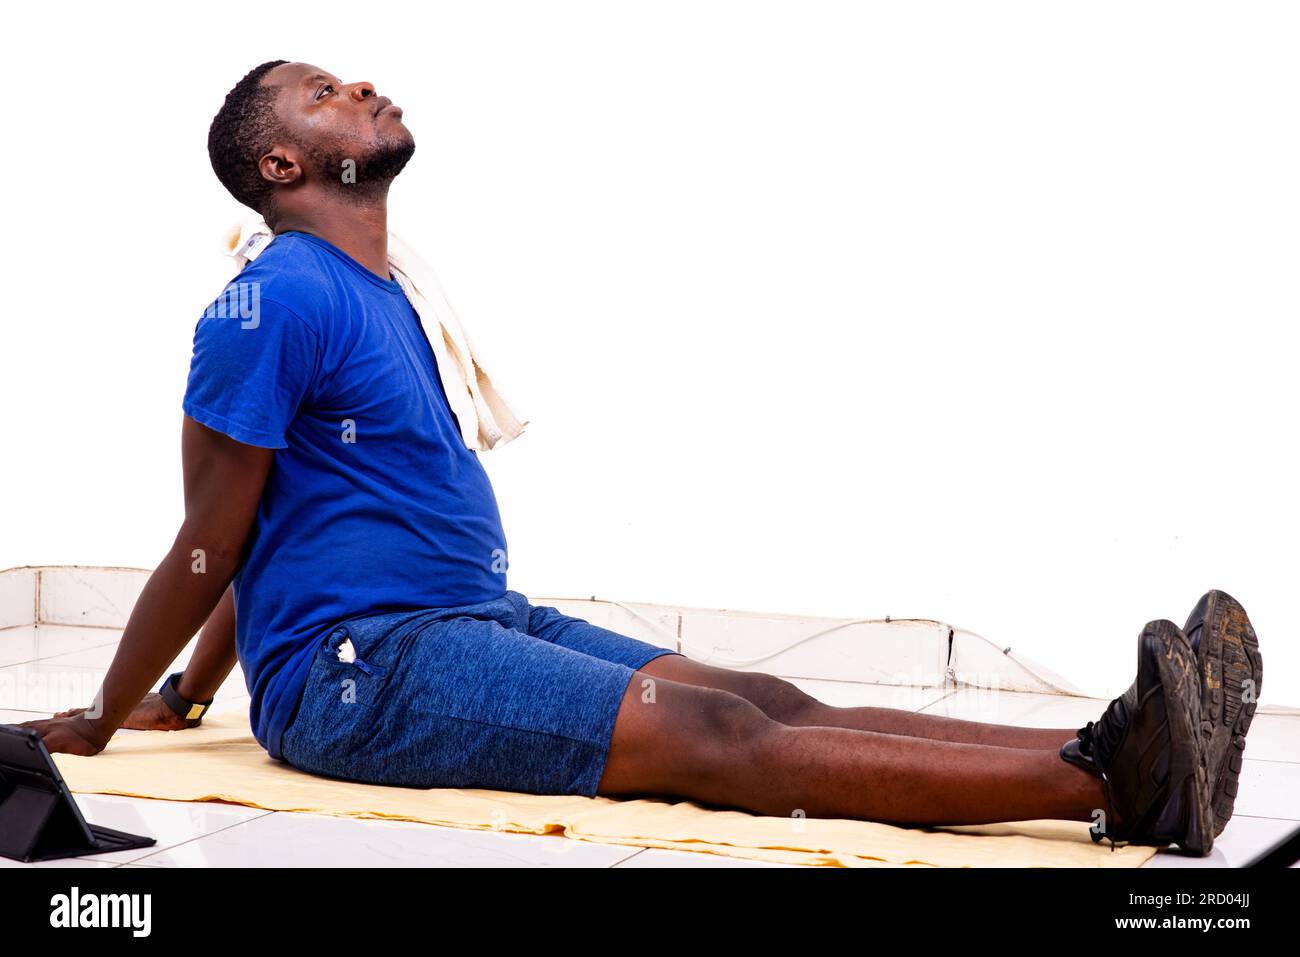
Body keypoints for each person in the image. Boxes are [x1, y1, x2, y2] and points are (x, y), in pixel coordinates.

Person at [21, 62, 1263, 857]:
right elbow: (211, 536)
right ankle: (1114, 791)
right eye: (324, 94)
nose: (363, 90)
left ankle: (1119, 740)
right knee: (718, 734)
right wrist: (111, 710)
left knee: (774, 703)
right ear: (283, 165)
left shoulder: (389, 290)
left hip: (460, 619)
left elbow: (271, 519)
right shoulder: (269, 299)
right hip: (365, 670)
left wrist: (194, 690)